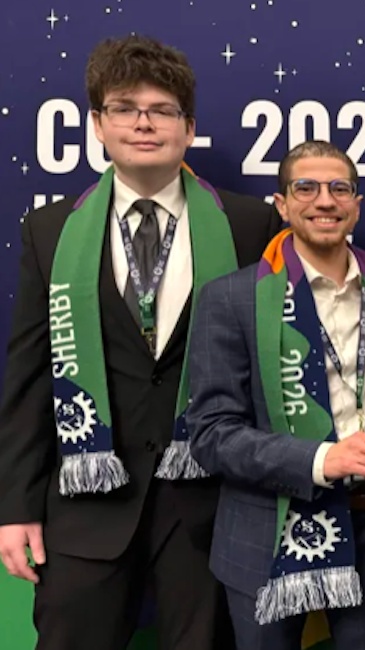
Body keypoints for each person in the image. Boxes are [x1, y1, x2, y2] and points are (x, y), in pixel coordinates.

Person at [0, 35, 282, 649]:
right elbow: (29, 376)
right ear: (98, 124)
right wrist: (16, 507)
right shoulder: (50, 231)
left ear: (189, 128)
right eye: (125, 108)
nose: (144, 123)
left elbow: (300, 324)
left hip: (206, 507)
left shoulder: (248, 223)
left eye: (162, 110)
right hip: (87, 504)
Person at [186, 140, 365, 650]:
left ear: (356, 204)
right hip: (265, 531)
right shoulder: (231, 299)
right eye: (305, 187)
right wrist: (322, 458)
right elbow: (212, 434)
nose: (324, 200)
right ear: (282, 205)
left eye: (339, 188)